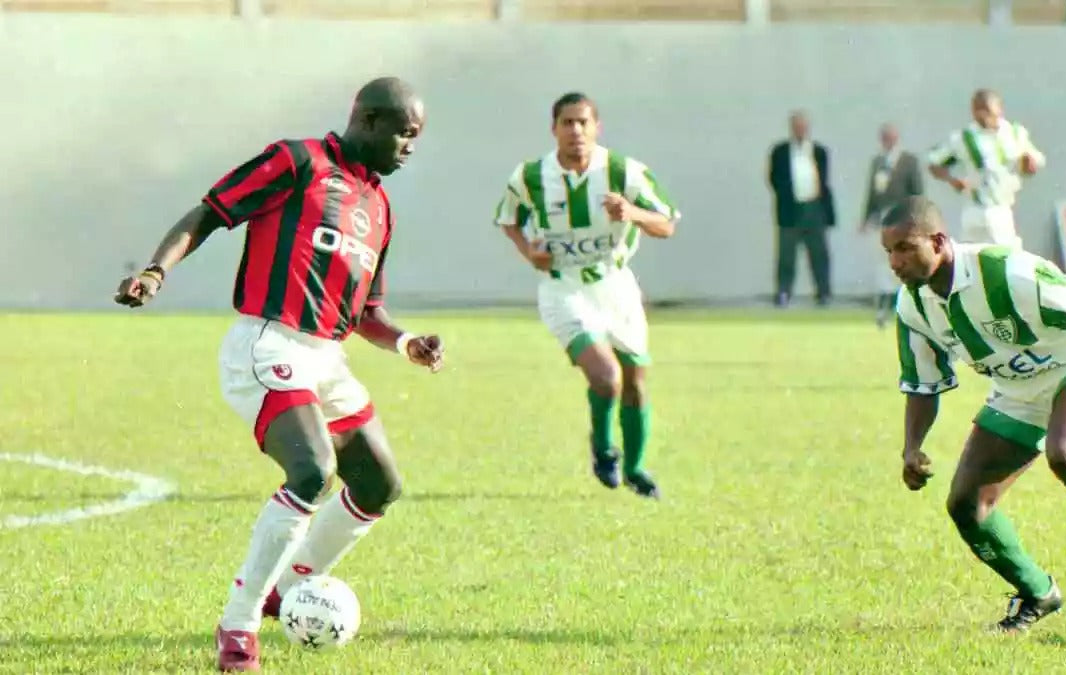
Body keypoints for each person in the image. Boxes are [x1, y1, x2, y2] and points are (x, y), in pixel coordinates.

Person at [114, 77, 445, 672]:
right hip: (266, 343)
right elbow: (209, 212)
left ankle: (287, 589)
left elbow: (368, 313)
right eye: (405, 132)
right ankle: (238, 626)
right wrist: (155, 273)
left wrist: (406, 343)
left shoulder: (379, 207)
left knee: (379, 485)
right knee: (313, 470)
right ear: (368, 121)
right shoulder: (297, 161)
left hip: (327, 356)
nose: (410, 146)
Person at [882, 196, 1066, 634]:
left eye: (904, 248)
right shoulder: (913, 306)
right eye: (888, 251)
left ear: (938, 241)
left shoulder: (1006, 270)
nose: (895, 261)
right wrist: (912, 447)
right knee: (966, 506)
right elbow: (922, 385)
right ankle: (1037, 592)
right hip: (1018, 389)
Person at [493, 92, 680, 499]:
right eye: (567, 123)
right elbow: (509, 220)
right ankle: (602, 449)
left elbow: (666, 224)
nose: (576, 131)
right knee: (606, 377)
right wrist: (531, 254)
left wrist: (633, 213)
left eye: (583, 122)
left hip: (615, 286)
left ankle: (635, 470)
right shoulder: (529, 177)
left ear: (597, 127)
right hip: (563, 289)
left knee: (635, 382)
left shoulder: (622, 171)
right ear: (554, 129)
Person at [927, 89, 1044, 248]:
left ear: (999, 109)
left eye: (987, 110)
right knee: (972, 258)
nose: (982, 116)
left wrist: (1028, 164)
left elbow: (1033, 165)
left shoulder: (1015, 134)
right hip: (974, 209)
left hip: (1001, 208)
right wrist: (952, 180)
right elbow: (934, 162)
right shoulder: (965, 137)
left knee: (1005, 257)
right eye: (978, 111)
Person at [767, 110, 837, 307]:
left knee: (819, 254)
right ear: (792, 129)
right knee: (786, 255)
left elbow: (824, 181)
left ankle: (823, 293)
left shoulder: (819, 151)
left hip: (814, 208)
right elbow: (773, 178)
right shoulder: (780, 151)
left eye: (803, 127)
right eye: (796, 127)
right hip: (790, 210)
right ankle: (783, 293)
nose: (800, 130)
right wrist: (786, 196)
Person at [859, 122, 924, 327]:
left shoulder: (909, 161)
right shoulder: (878, 162)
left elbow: (917, 192)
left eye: (890, 137)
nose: (887, 141)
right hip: (883, 220)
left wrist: (917, 218)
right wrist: (866, 218)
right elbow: (872, 194)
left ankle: (908, 305)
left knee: (903, 260)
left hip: (903, 219)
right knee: (882, 262)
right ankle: (883, 306)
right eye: (884, 137)